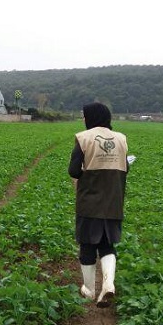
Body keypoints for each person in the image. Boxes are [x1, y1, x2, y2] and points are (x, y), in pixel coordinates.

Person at [68, 102, 128, 308]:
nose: (83, 119)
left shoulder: (84, 138)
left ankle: (90, 290)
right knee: (107, 244)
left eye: (84, 116)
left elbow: (74, 171)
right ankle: (108, 283)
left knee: (87, 244)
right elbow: (126, 167)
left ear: (91, 117)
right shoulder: (121, 139)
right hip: (114, 201)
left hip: (90, 201)